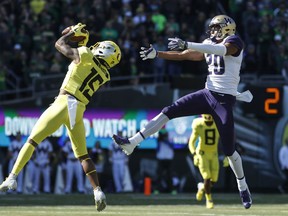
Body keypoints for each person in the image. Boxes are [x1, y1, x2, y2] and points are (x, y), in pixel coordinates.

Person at [112, 15, 252, 209]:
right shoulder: (208, 43)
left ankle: (242, 185)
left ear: (228, 28)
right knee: (169, 110)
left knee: (229, 150)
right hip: (207, 93)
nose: (212, 31)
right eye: (212, 28)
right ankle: (132, 143)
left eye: (217, 27)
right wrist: (158, 54)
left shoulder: (234, 41)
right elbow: (186, 54)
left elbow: (221, 50)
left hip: (224, 100)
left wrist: (188, 42)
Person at [0, 22, 121, 212]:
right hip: (79, 109)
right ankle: (97, 191)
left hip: (64, 103)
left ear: (103, 51)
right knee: (83, 155)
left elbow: (59, 45)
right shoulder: (105, 74)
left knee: (32, 140)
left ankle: (12, 178)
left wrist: (70, 34)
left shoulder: (86, 54)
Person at [188, 114, 220, 209]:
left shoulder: (218, 123)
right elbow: (191, 142)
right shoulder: (198, 124)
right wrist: (194, 154)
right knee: (207, 176)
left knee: (214, 180)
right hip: (202, 154)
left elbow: (226, 140)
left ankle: (202, 187)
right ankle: (209, 199)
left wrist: (228, 155)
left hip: (214, 153)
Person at [154, 129, 175, 194]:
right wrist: (160, 141)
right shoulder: (159, 141)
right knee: (159, 175)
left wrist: (166, 141)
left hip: (169, 160)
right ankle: (157, 189)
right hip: (161, 160)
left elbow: (172, 146)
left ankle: (171, 190)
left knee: (169, 175)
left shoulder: (170, 140)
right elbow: (157, 150)